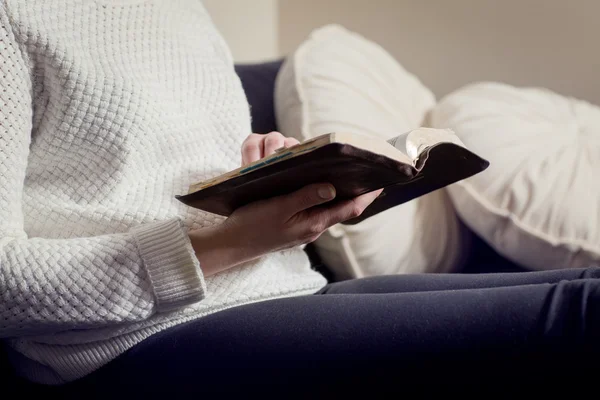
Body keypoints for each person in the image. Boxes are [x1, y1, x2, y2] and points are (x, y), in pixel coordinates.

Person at [0, 0, 597, 396]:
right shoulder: (15, 18)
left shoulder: (181, 11)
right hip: (123, 344)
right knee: (579, 318)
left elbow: (165, 182)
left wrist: (269, 171)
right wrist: (233, 242)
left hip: (278, 290)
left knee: (584, 290)